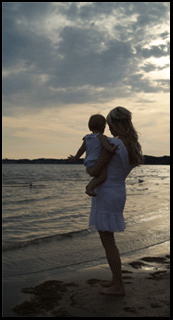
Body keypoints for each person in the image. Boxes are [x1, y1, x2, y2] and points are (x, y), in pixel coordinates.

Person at [86, 106, 144, 296]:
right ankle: (115, 279)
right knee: (109, 241)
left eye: (110, 125)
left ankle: (119, 286)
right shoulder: (132, 145)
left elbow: (95, 171)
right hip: (118, 191)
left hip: (107, 194)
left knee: (108, 242)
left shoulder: (114, 144)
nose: (109, 129)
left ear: (118, 124)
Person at [68, 114, 119, 196]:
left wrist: (75, 157)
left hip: (88, 164)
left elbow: (81, 150)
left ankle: (90, 185)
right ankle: (90, 188)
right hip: (96, 163)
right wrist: (112, 149)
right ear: (103, 127)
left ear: (89, 127)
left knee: (98, 177)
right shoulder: (101, 137)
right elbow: (106, 146)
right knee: (102, 177)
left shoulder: (87, 138)